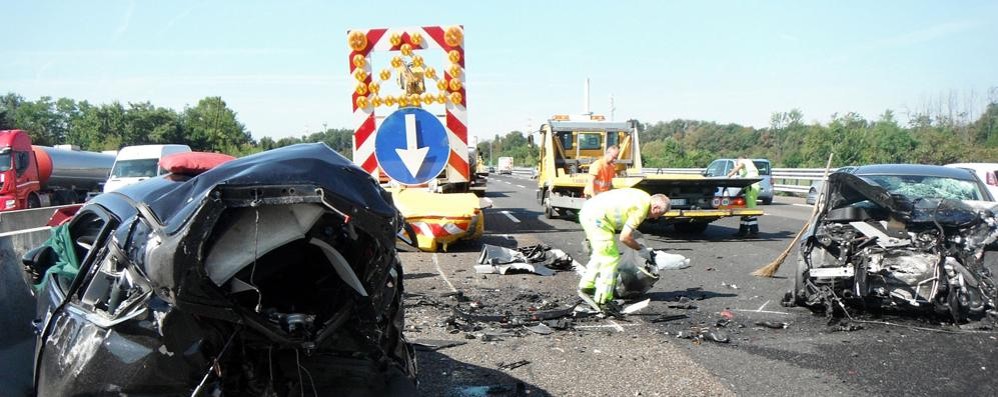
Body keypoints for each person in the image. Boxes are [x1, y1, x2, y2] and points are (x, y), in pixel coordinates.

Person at [577, 188, 671, 310]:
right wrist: (640, 249)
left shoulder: (642, 196)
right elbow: (625, 237)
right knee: (610, 257)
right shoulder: (642, 208)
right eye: (659, 214)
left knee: (600, 254)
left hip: (590, 212)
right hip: (597, 219)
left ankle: (587, 286)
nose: (656, 218)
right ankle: (603, 299)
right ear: (656, 208)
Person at [726, 156, 760, 237]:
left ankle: (754, 231)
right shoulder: (749, 165)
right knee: (745, 210)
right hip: (751, 186)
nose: (737, 163)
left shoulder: (744, 161)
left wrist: (730, 174)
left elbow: (739, 166)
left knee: (750, 210)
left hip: (752, 186)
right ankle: (743, 230)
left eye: (737, 161)